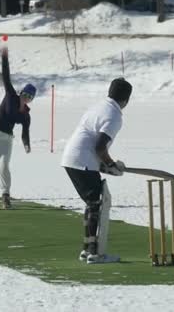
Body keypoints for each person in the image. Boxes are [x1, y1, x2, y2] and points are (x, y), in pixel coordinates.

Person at [61, 78, 132, 264]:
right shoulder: (114, 116)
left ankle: (88, 249)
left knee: (92, 204)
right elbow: (100, 147)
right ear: (126, 100)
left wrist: (108, 166)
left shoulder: (99, 107)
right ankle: (94, 252)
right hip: (82, 159)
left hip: (72, 157)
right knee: (96, 204)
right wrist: (111, 164)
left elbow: (94, 145)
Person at [0, 46, 35, 209]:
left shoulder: (26, 115)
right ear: (21, 93)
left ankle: (5, 195)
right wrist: (4, 57)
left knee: (4, 166)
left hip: (6, 137)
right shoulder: (11, 95)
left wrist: (26, 144)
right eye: (25, 94)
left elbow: (25, 132)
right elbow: (6, 76)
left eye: (30, 97)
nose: (26, 98)